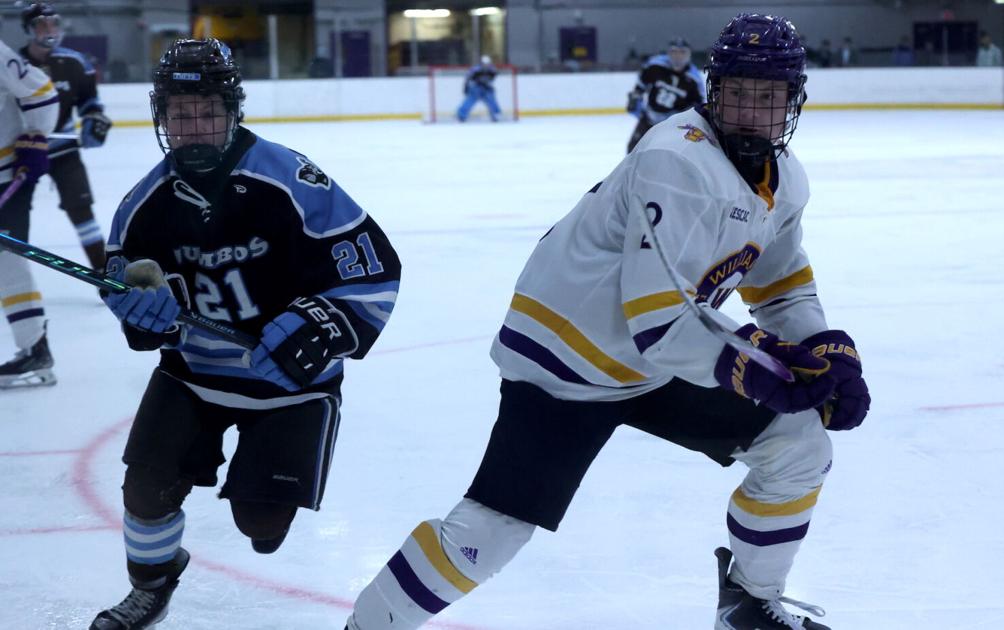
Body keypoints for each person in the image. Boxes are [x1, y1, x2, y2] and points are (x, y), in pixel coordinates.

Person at [347, 13, 870, 630]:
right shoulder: (677, 160)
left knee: (798, 444)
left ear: (793, 101)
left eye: (769, 97)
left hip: (653, 363)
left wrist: (824, 347)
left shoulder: (784, 182)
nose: (751, 111)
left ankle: (748, 606)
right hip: (568, 359)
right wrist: (763, 371)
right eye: (737, 94)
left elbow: (779, 282)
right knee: (494, 529)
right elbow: (656, 323)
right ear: (714, 90)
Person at [88, 38, 401, 630]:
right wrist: (134, 305)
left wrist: (324, 326)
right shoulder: (144, 203)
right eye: (181, 115)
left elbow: (374, 269)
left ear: (233, 111)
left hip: (291, 386)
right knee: (144, 492)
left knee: (262, 527)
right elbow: (118, 275)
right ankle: (152, 583)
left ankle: (261, 504)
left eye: (209, 112)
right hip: (194, 376)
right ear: (161, 118)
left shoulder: (292, 180)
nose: (196, 129)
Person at [19, 2, 112, 272]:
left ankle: (103, 273)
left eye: (53, 23)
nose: (50, 30)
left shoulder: (74, 63)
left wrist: (95, 119)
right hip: (21, 153)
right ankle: (11, 273)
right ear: (28, 29)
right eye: (41, 25)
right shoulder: (14, 66)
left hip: (63, 152)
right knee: (12, 215)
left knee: (82, 211)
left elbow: (89, 102)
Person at [0, 35, 58, 389]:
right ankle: (35, 347)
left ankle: (36, 347)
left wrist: (36, 137)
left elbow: (41, 90)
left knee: (8, 260)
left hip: (8, 176)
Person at [624, 37, 704, 153]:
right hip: (648, 119)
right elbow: (642, 82)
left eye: (682, 52)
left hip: (673, 126)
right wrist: (636, 96)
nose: (678, 56)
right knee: (633, 151)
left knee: (667, 156)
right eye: (674, 52)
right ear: (668, 53)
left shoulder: (693, 79)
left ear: (689, 55)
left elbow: (699, 103)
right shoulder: (655, 66)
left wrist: (687, 115)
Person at [456, 55, 501, 122]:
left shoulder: (492, 69)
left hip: (487, 88)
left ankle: (496, 114)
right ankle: (461, 115)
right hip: (476, 88)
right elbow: (468, 77)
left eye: (487, 64)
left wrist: (489, 84)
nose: (485, 65)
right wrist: (466, 86)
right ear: (481, 63)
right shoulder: (476, 69)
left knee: (491, 100)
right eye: (484, 64)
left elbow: (494, 76)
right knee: (469, 101)